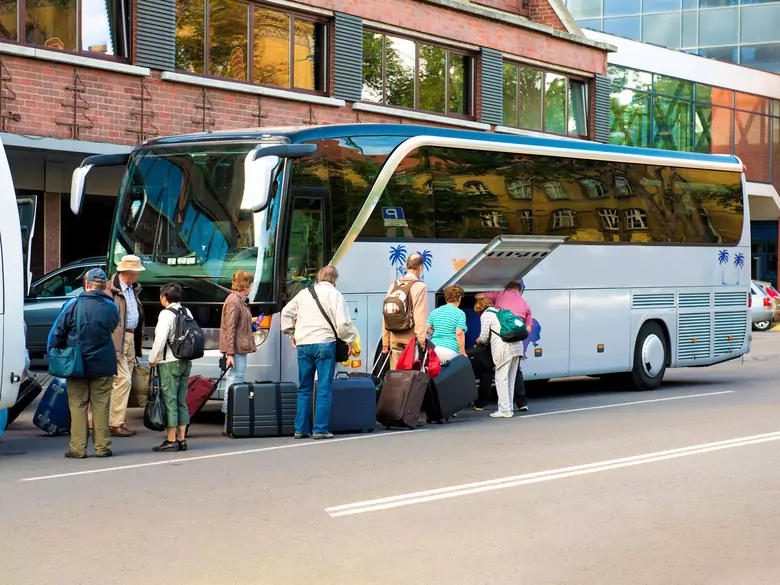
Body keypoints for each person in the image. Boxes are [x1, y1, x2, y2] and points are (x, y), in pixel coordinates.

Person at [48, 269, 120, 458]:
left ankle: (78, 449)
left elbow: (56, 333)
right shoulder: (111, 307)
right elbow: (113, 326)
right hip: (104, 363)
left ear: (86, 284)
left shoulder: (73, 304)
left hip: (76, 364)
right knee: (101, 406)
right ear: (104, 286)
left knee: (78, 406)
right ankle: (103, 448)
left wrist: (55, 350)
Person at [281, 266, 357, 440]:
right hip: (324, 343)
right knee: (323, 388)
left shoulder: (303, 294)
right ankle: (320, 429)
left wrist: (292, 334)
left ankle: (300, 428)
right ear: (335, 281)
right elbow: (343, 324)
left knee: (304, 388)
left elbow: (286, 313)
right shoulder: (335, 295)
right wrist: (349, 340)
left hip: (303, 344)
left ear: (317, 278)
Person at [148, 283, 193, 453]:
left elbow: (160, 340)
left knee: (170, 401)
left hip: (169, 362)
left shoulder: (166, 314)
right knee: (182, 400)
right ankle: (182, 439)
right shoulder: (186, 311)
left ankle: (171, 439)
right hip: (186, 361)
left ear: (164, 298)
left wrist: (153, 359)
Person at [475, 281, 533, 411]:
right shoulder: (525, 304)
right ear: (520, 290)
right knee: (514, 375)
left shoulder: (501, 295)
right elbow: (528, 330)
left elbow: (478, 296)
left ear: (508, 288)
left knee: (493, 373)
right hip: (517, 344)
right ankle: (520, 403)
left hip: (500, 343)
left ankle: (483, 404)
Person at [106, 255, 146, 438]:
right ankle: (115, 423)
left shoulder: (132, 288)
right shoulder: (111, 289)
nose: (139, 274)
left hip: (130, 336)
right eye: (137, 271)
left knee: (121, 380)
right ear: (128, 272)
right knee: (123, 380)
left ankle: (114, 420)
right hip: (118, 338)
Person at [219, 269, 256, 435]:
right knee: (234, 384)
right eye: (251, 284)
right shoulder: (234, 301)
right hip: (236, 351)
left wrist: (251, 325)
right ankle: (229, 423)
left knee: (235, 383)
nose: (252, 287)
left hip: (238, 349)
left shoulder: (238, 300)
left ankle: (231, 422)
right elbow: (230, 329)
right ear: (246, 285)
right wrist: (230, 354)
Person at [474, 298, 524, 419]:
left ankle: (504, 410)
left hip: (504, 349)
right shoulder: (500, 312)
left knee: (501, 379)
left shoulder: (486, 315)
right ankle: (509, 407)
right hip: (517, 346)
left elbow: (484, 337)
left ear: (480, 309)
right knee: (510, 380)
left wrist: (479, 340)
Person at [382, 253, 428, 368]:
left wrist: (385, 341)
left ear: (407, 266)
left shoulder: (393, 285)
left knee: (395, 374)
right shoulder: (419, 286)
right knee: (409, 375)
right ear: (420, 267)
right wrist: (421, 340)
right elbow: (420, 315)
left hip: (394, 338)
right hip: (410, 341)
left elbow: (386, 315)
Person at [427, 284, 467, 363]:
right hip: (450, 350)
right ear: (459, 298)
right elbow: (459, 333)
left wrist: (436, 334)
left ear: (446, 298)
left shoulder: (436, 311)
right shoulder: (460, 313)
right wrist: (462, 352)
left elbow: (427, 328)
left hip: (434, 349)